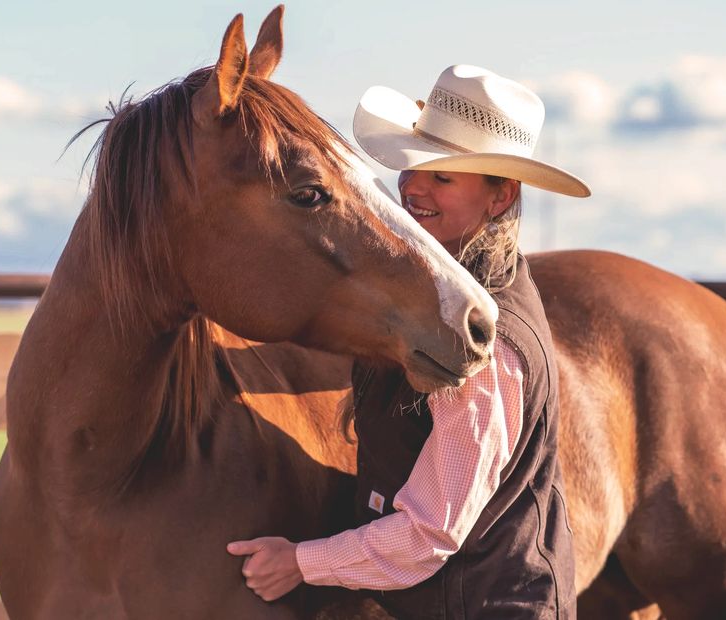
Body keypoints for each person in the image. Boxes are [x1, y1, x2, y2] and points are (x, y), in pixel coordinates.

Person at [227, 65, 590, 619]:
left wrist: (301, 563)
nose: (413, 186)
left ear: (501, 197)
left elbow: (429, 532)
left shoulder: (488, 348)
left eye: (443, 177)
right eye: (414, 167)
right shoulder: (447, 291)